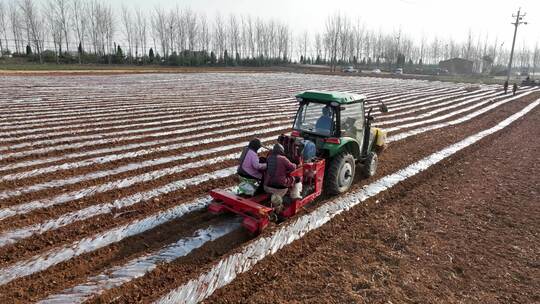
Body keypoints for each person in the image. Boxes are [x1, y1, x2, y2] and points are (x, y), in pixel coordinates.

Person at [264, 144, 299, 212]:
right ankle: (294, 197)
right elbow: (293, 167)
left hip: (267, 186)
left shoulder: (269, 158)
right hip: (280, 189)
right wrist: (295, 164)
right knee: (296, 179)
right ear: (281, 151)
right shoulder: (283, 159)